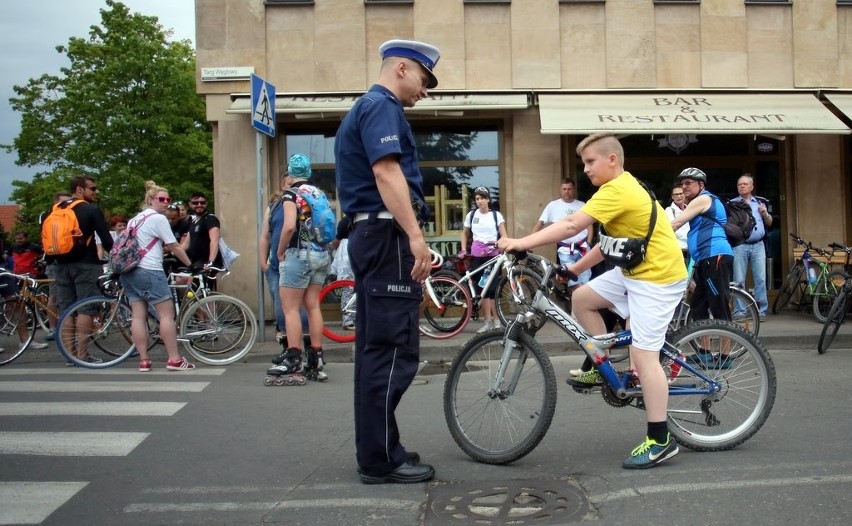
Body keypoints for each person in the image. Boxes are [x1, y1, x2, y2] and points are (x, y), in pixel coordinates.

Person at [498, 132, 687, 470]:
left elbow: (571, 224)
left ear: (612, 159)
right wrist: (574, 270)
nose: (585, 169)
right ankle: (601, 367)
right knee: (583, 298)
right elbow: (608, 243)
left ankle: (660, 440)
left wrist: (520, 242)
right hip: (635, 269)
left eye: (590, 162)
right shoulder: (616, 190)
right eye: (583, 163)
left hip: (657, 277)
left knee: (644, 360)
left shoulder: (618, 190)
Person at [334, 39, 440, 484]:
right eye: (424, 79)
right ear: (401, 68)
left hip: (371, 235)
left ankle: (380, 450)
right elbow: (386, 172)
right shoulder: (382, 107)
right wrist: (414, 236)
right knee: (392, 350)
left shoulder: (364, 108)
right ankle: (380, 460)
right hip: (386, 237)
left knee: (377, 349)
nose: (426, 90)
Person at [268, 154, 331, 381]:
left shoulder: (290, 194)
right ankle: (316, 358)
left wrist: (280, 251)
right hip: (321, 255)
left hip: (298, 254)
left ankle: (293, 358)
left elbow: (288, 227)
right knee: (313, 306)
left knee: (290, 308)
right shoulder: (318, 193)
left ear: (290, 172)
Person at [120, 181, 195, 372]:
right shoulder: (159, 219)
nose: (166, 203)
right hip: (150, 270)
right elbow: (174, 246)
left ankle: (144, 360)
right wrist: (190, 264)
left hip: (130, 271)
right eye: (161, 199)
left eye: (168, 200)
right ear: (150, 199)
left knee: (138, 316)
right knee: (166, 315)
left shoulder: (134, 220)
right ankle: (175, 359)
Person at [670, 167, 735, 367]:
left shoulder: (704, 199)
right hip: (703, 260)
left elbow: (676, 223)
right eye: (682, 183)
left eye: (689, 182)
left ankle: (725, 357)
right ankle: (705, 353)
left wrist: (649, 239)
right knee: (698, 308)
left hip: (715, 257)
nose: (684, 186)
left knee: (719, 307)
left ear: (701, 185)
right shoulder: (696, 202)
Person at [54, 176, 114, 364]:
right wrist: (116, 257)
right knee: (86, 308)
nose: (96, 192)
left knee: (66, 309)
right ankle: (82, 355)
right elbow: (106, 239)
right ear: (79, 190)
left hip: (60, 264)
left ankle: (69, 355)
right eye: (92, 189)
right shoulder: (90, 210)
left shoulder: (56, 209)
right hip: (86, 264)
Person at [460, 186, 507, 333]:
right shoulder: (472, 215)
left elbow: (504, 235)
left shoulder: (496, 215)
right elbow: (465, 233)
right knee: (483, 289)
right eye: (477, 199)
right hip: (477, 257)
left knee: (493, 289)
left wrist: (498, 247)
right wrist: (463, 249)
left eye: (482, 198)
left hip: (492, 256)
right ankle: (488, 322)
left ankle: (497, 321)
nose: (479, 201)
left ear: (488, 199)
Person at [531, 178, 593, 288]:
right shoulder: (552, 206)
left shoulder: (582, 205)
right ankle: (577, 302)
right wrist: (529, 242)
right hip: (565, 249)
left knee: (585, 280)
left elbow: (589, 226)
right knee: (573, 280)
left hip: (582, 247)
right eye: (564, 189)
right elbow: (539, 224)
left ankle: (580, 302)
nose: (567, 191)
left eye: (569, 189)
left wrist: (588, 242)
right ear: (560, 190)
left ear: (573, 190)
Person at [731, 173, 772, 320]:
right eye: (739, 184)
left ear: (752, 186)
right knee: (739, 280)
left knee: (760, 279)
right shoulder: (732, 203)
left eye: (745, 184)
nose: (742, 186)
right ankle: (740, 312)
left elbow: (769, 223)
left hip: (758, 245)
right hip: (740, 245)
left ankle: (760, 311)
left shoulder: (760, 202)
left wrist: (765, 213)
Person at [182, 191, 223, 282]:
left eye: (203, 202)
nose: (199, 205)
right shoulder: (193, 222)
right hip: (196, 262)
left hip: (206, 263)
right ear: (190, 204)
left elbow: (214, 240)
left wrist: (210, 262)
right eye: (195, 203)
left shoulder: (210, 219)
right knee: (179, 278)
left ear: (206, 203)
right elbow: (185, 245)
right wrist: (171, 253)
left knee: (182, 279)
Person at [329, 215, 355, 331]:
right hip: (356, 250)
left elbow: (337, 239)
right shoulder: (365, 217)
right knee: (351, 287)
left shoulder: (346, 220)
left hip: (346, 252)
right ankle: (349, 319)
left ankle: (348, 319)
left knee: (348, 287)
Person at [664, 184, 690, 259]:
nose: (679, 196)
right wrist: (691, 238)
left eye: (681, 193)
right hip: (679, 252)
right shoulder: (669, 211)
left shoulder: (690, 209)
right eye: (676, 194)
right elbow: (673, 230)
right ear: (672, 197)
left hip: (692, 251)